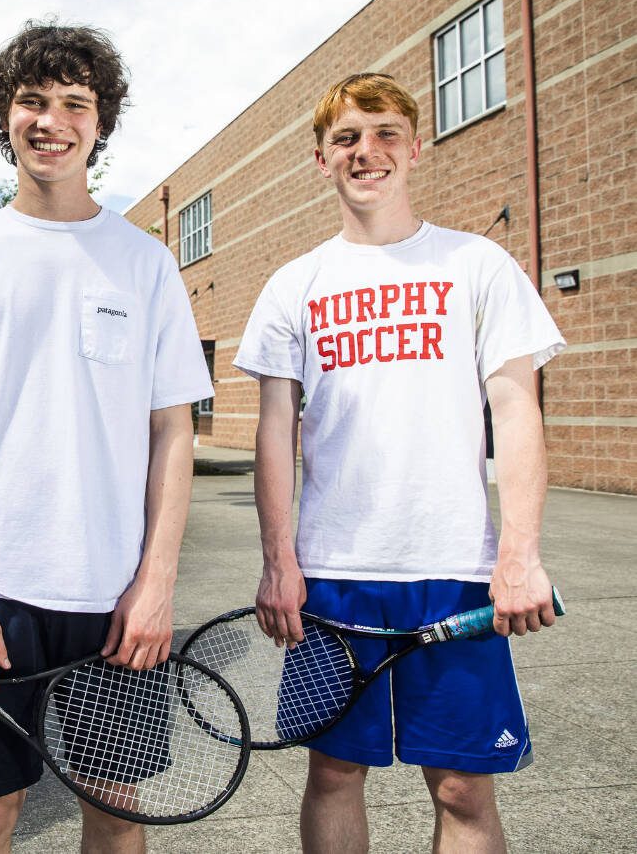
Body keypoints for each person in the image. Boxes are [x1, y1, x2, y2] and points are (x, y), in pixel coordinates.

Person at [0, 21, 209, 854]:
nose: (51, 120)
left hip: (115, 597)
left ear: (100, 123)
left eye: (75, 102)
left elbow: (174, 431)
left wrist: (156, 583)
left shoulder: (145, 264)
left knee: (116, 804)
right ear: (5, 114)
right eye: (32, 100)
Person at [234, 72, 564, 854]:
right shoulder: (295, 283)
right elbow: (275, 431)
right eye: (346, 138)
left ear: (414, 149)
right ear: (321, 160)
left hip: (453, 567)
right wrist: (279, 560)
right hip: (333, 572)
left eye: (383, 134)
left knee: (460, 785)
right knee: (334, 775)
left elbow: (516, 411)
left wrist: (518, 556)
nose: (366, 152)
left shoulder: (476, 265)